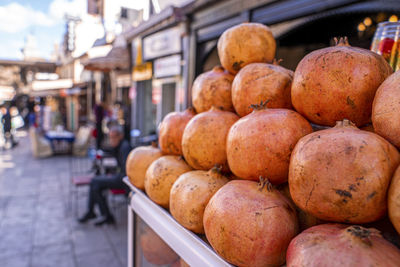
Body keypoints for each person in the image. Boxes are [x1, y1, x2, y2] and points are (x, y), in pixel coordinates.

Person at [78, 125, 131, 226]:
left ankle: (99, 214)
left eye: (114, 137)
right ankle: (101, 214)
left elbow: (126, 171)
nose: (112, 140)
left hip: (124, 180)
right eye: (110, 137)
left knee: (95, 181)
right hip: (119, 176)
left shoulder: (125, 147)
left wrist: (112, 176)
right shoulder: (120, 145)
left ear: (121, 136)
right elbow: (111, 151)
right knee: (96, 185)